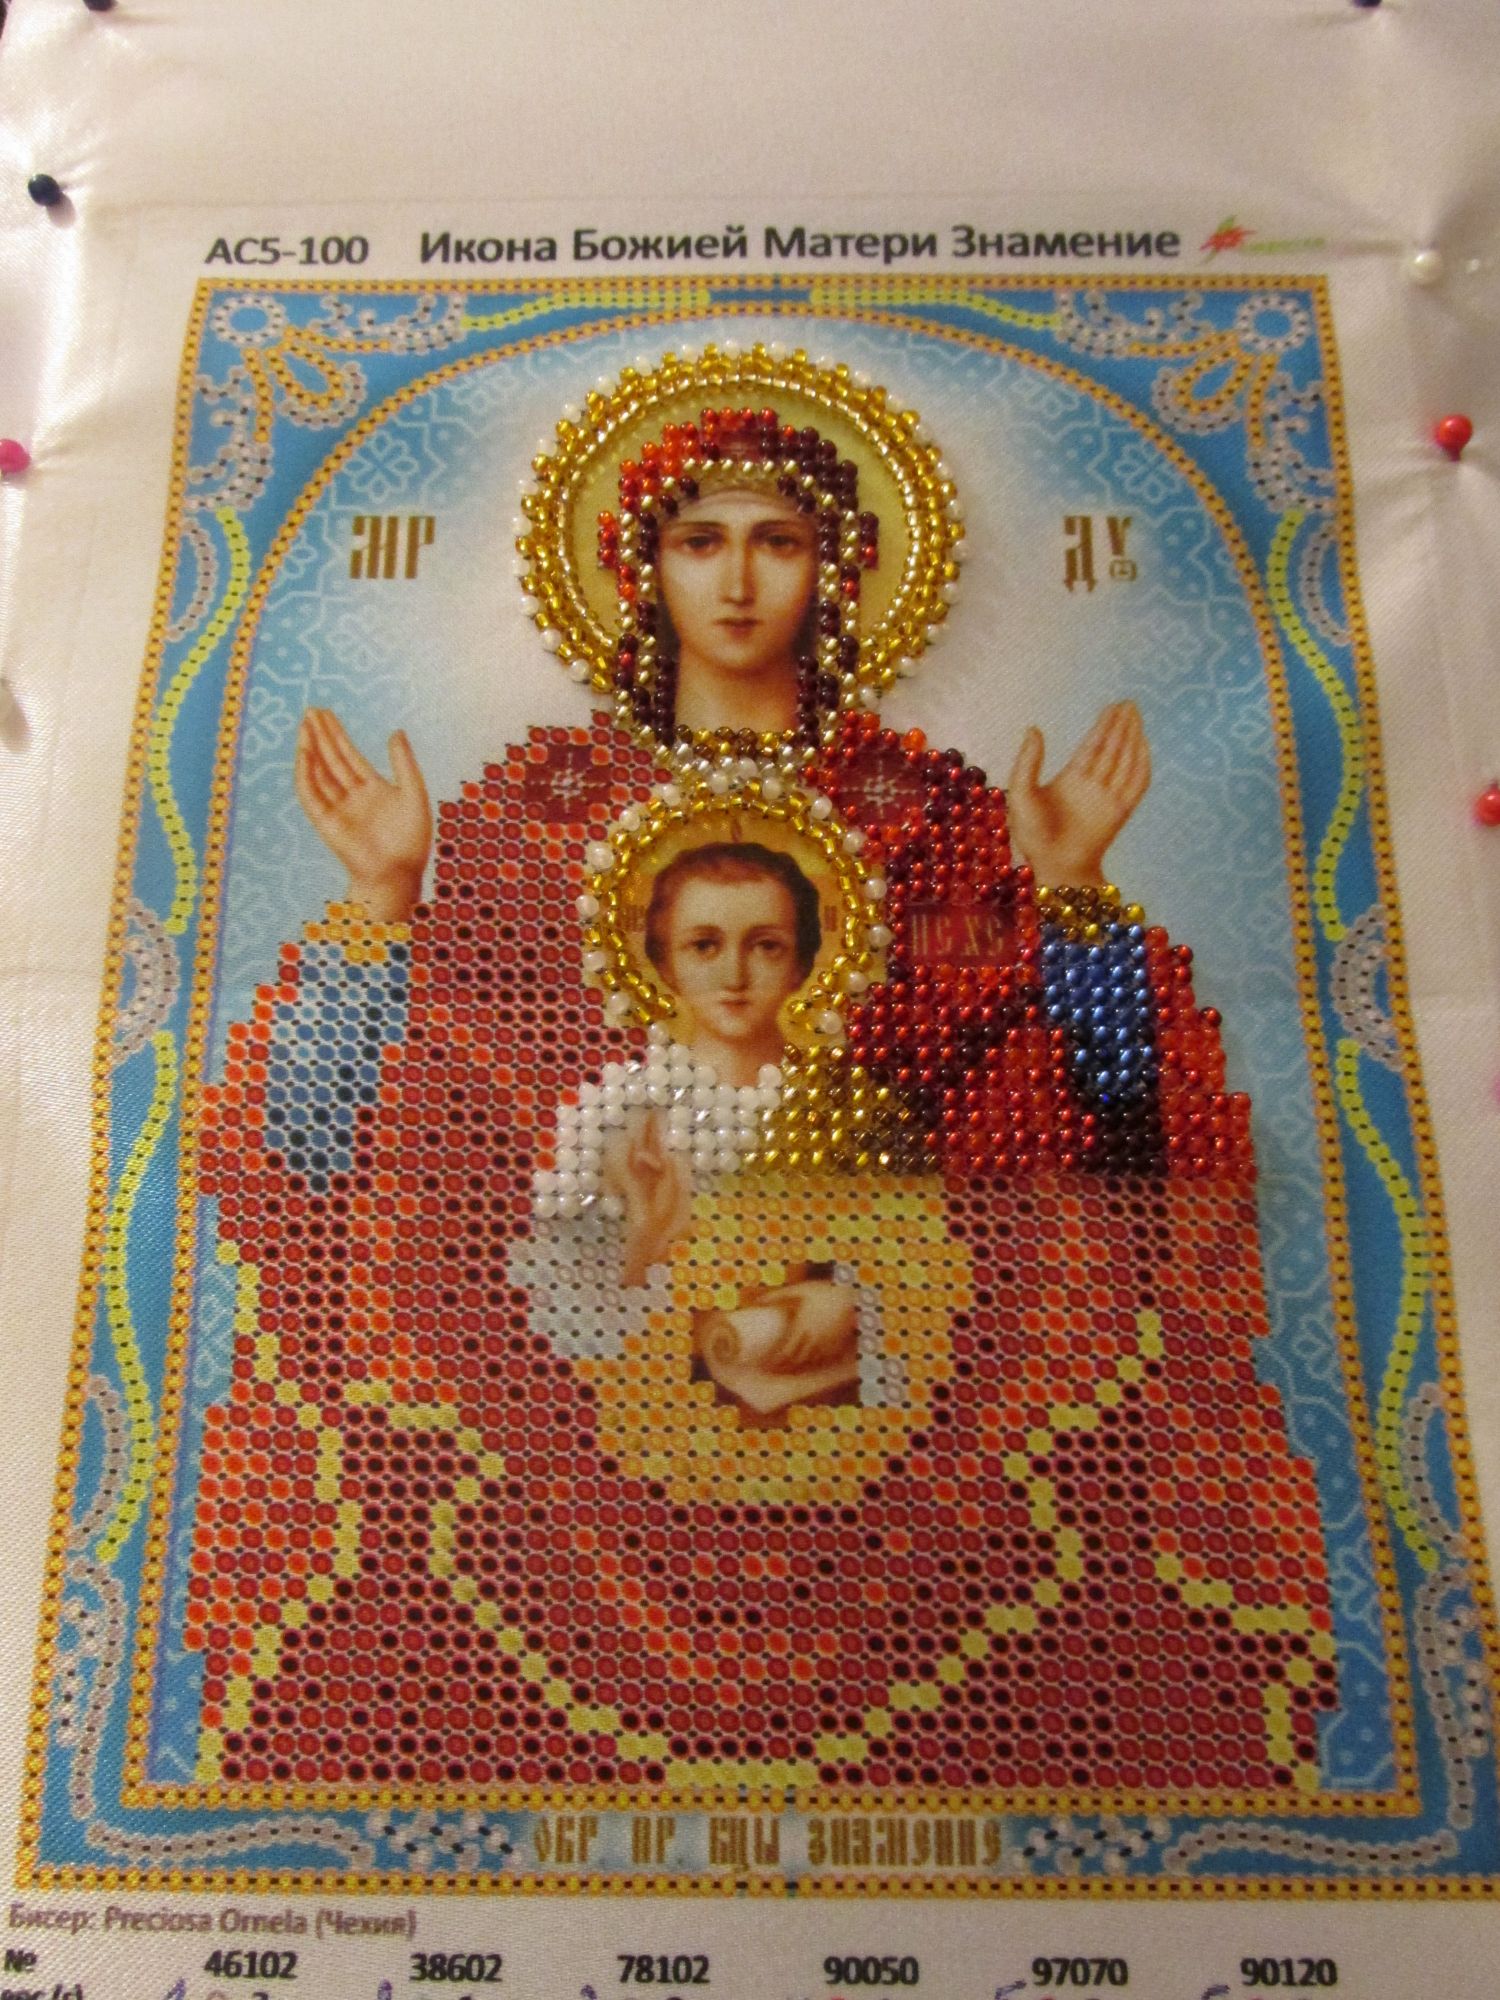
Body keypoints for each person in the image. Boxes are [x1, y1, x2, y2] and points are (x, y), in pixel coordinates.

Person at [186, 394, 1336, 1803]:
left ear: (834, 568)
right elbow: (347, 1144)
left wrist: (1073, 899)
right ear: (640, 567)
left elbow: (1110, 1134)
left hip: (920, 1413)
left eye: (778, 541)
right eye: (700, 541)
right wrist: (383, 899)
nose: (737, 581)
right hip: (568, 1427)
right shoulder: (536, 814)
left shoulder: (933, 816)